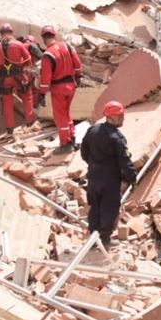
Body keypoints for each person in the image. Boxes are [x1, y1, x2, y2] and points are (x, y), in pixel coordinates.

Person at [81, 100, 137, 247]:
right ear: (113, 117)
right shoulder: (117, 139)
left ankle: (93, 237)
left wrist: (94, 166)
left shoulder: (92, 130)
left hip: (93, 177)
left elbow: (84, 152)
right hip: (110, 180)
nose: (123, 119)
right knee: (109, 209)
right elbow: (124, 161)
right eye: (120, 116)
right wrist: (132, 178)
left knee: (95, 207)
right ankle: (104, 239)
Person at [38, 25, 83, 152]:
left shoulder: (48, 55)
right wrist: (78, 76)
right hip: (71, 85)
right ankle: (72, 138)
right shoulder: (67, 46)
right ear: (54, 35)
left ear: (43, 38)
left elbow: (46, 78)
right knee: (67, 113)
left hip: (59, 88)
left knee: (60, 116)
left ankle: (65, 144)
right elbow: (78, 64)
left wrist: (41, 94)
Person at [0, 23, 35, 131]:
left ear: (1, 34)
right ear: (12, 33)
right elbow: (28, 60)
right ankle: (30, 122)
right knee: (27, 97)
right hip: (19, 75)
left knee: (7, 101)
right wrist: (20, 66)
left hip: (5, 78)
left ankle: (9, 128)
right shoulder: (18, 44)